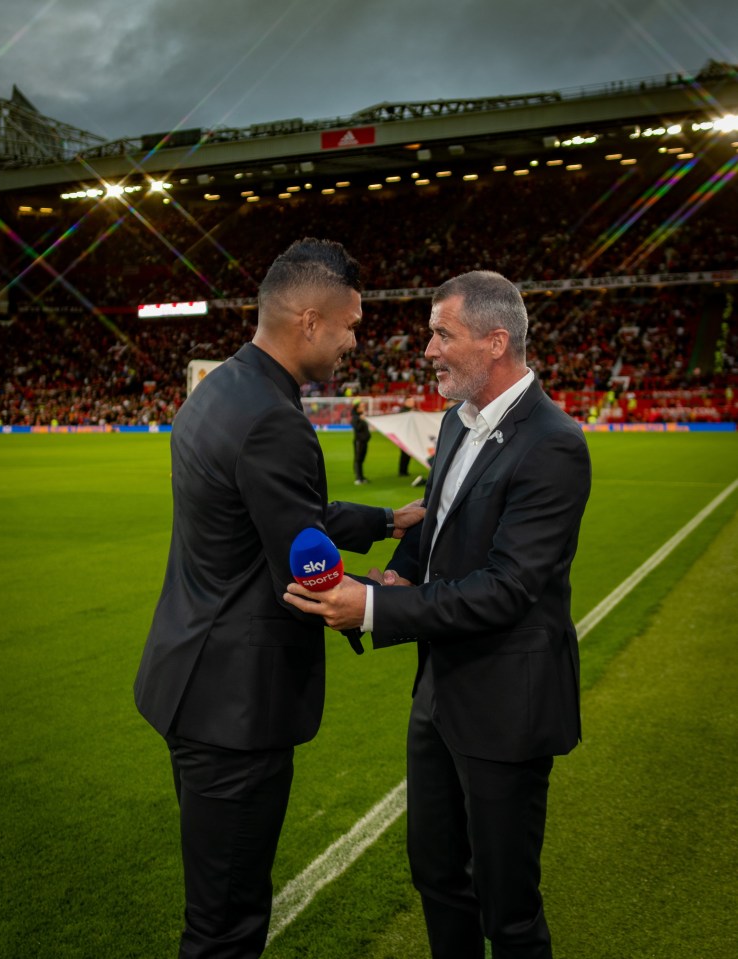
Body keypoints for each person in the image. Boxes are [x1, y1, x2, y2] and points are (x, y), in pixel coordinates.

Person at [284, 270, 592, 959]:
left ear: (495, 340)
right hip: (438, 693)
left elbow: (509, 588)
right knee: (436, 874)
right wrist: (404, 569)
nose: (427, 349)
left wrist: (376, 606)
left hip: (507, 704)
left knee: (509, 908)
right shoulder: (456, 421)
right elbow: (440, 523)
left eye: (440, 333)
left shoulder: (555, 442)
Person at [134, 237, 424, 959]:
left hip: (192, 675)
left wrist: (388, 520)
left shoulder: (223, 388)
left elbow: (287, 515)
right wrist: (386, 595)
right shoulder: (274, 418)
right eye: (352, 325)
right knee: (226, 926)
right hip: (236, 707)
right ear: (309, 319)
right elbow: (304, 569)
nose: (357, 341)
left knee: (220, 908)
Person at [351, 399, 371, 484]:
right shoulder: (355, 418)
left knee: (361, 460)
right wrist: (362, 420)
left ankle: (361, 477)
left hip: (364, 441)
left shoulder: (361, 416)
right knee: (358, 460)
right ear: (357, 408)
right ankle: (358, 478)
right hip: (359, 442)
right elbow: (357, 428)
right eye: (362, 406)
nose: (364, 408)